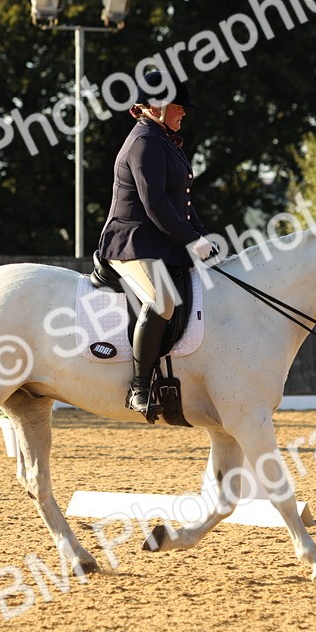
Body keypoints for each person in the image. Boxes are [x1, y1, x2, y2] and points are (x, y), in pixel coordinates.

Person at [98, 70, 216, 421]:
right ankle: (138, 387)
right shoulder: (144, 143)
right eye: (178, 106)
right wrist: (191, 240)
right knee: (162, 300)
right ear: (157, 106)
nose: (184, 112)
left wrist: (203, 236)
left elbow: (182, 202)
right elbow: (156, 205)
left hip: (159, 242)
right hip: (132, 242)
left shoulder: (163, 141)